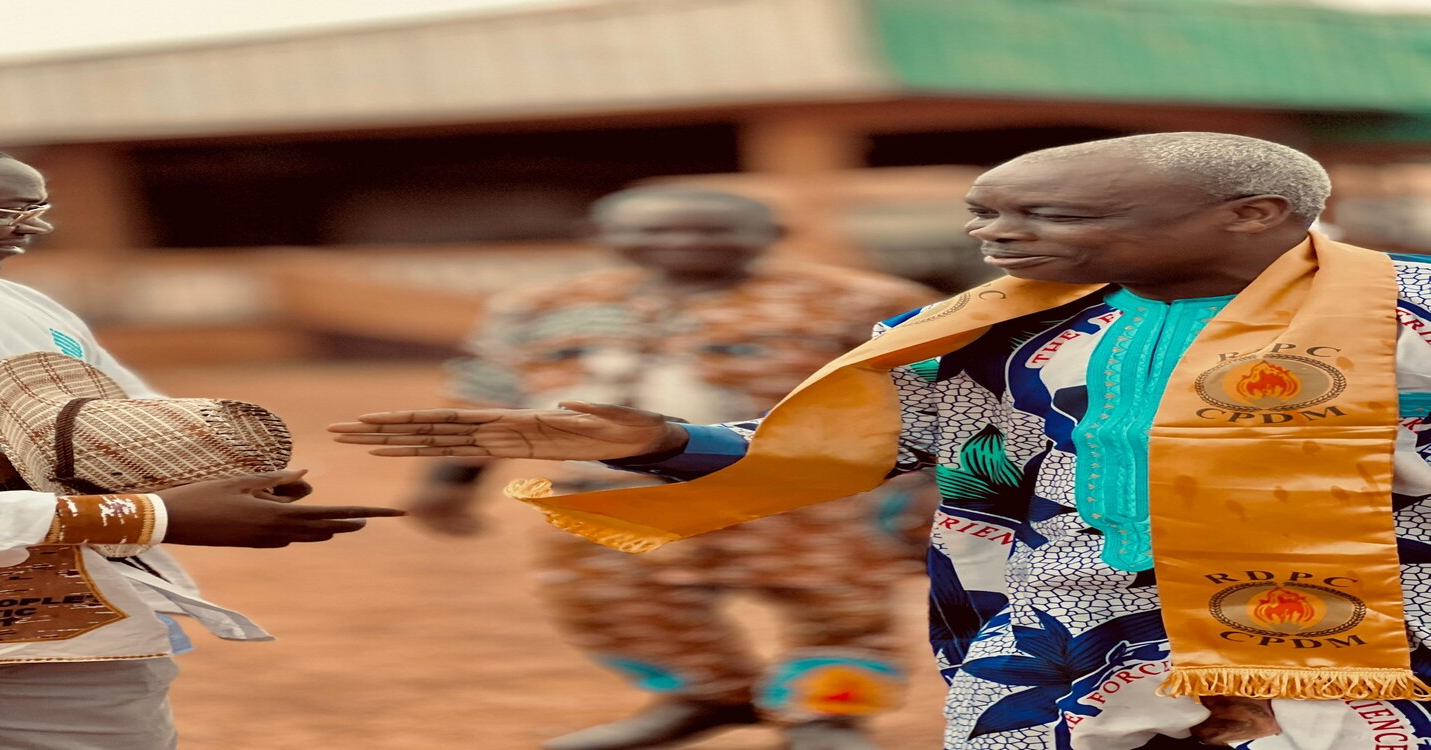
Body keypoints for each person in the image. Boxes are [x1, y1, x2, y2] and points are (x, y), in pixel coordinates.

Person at [333, 132, 1431, 749]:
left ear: (1252, 213)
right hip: (1067, 619)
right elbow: (857, 443)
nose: (996, 235)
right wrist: (657, 440)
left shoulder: (1413, 310)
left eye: (1054, 215)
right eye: (988, 211)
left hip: (1372, 622)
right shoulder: (975, 326)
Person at [0, 123, 403, 750]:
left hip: (53, 632)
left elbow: (120, 414)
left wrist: (194, 467)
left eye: (35, 209)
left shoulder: (11, 305)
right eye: (0, 210)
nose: (32, 227)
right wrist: (135, 516)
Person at [409, 186, 939, 750]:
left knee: (839, 608)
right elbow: (490, 392)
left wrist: (935, 482)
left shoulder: (862, 301)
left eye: (712, 229)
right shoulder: (537, 307)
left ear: (774, 236)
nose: (684, 241)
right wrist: (451, 482)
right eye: (655, 229)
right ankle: (707, 695)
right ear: (599, 236)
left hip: (807, 495)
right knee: (607, 600)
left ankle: (825, 718)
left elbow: (943, 386)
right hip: (612, 494)